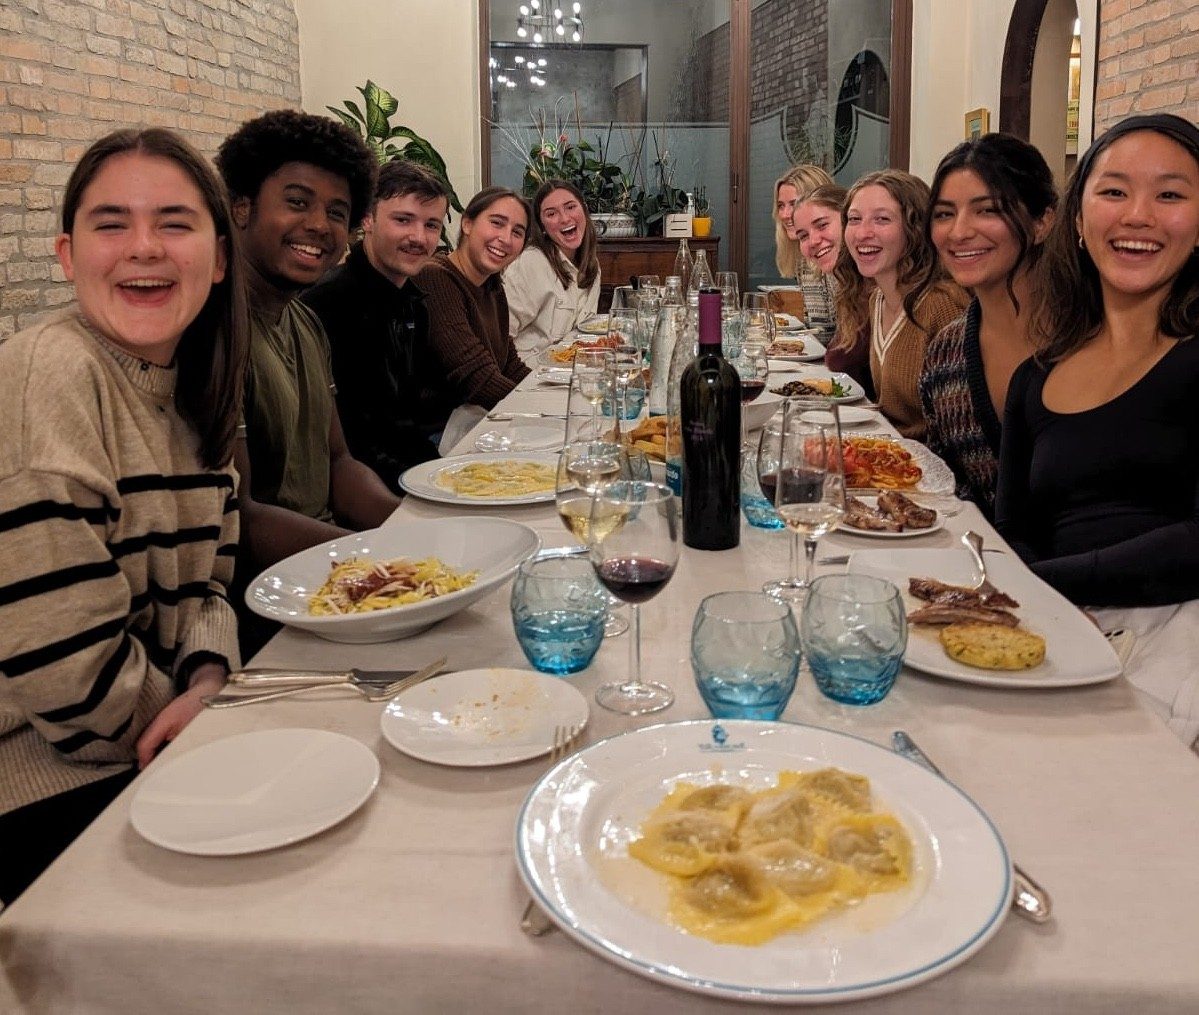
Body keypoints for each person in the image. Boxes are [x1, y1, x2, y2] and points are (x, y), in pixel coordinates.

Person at [0, 128, 249, 904]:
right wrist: (199, 720)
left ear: (218, 256)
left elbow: (213, 580)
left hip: (156, 737)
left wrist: (207, 677)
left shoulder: (190, 386)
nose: (144, 246)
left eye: (174, 222)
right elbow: (72, 686)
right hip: (45, 783)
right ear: (69, 255)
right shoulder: (50, 372)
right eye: (112, 224)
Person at [995, 113, 1199, 608]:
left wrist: (1035, 587)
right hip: (1054, 636)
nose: (1138, 216)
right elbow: (1012, 529)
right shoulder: (1034, 377)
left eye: (1169, 195)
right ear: (1080, 221)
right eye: (1114, 192)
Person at [215, 110, 401, 577]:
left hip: (333, 562)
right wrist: (386, 560)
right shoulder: (215, 329)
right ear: (241, 204)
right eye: (297, 202)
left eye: (337, 212)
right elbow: (241, 518)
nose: (320, 225)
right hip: (268, 596)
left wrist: (415, 527)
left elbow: (338, 462)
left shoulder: (305, 322)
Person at [917, 135, 1057, 518]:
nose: (959, 232)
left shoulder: (1089, 336)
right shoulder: (945, 355)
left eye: (988, 210)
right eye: (944, 214)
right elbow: (946, 492)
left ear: (1043, 221)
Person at [302, 160, 450, 493]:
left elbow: (407, 423)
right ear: (367, 218)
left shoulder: (414, 304)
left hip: (409, 476)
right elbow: (353, 443)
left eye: (432, 225)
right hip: (359, 493)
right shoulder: (328, 304)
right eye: (403, 220)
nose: (419, 237)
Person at [836, 169, 968, 439]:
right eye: (854, 219)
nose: (862, 233)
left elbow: (958, 434)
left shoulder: (942, 307)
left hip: (924, 471)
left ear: (915, 228)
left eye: (882, 219)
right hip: (889, 455)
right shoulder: (878, 299)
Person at [415, 186, 531, 449]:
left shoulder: (492, 286)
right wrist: (538, 412)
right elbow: (476, 378)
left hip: (478, 423)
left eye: (517, 232)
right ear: (467, 223)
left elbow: (510, 364)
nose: (505, 238)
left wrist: (559, 401)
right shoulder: (435, 276)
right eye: (497, 223)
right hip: (439, 436)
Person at [504, 178, 600, 366]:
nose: (564, 218)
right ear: (542, 227)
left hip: (569, 371)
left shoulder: (591, 266)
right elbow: (501, 335)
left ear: (584, 210)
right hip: (527, 375)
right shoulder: (531, 262)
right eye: (551, 213)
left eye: (571, 207)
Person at [791, 182, 873, 398]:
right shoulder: (850, 287)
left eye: (822, 225)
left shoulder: (877, 286)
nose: (813, 241)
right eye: (803, 235)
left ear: (849, 221)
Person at [772, 164, 834, 324]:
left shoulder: (835, 257)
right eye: (781, 206)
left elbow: (844, 335)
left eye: (794, 204)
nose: (785, 215)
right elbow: (819, 328)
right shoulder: (803, 258)